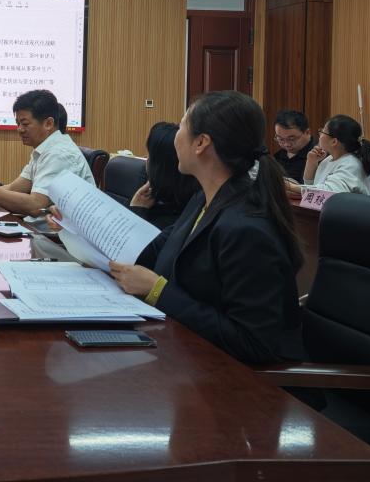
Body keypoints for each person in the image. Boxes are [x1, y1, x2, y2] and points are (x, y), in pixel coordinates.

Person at [107, 91, 304, 365]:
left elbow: (253, 344)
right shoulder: (203, 199)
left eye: (182, 126)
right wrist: (78, 229)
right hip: (185, 354)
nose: (176, 137)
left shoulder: (246, 229)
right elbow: (154, 249)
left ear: (201, 143)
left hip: (235, 380)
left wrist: (158, 291)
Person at [0, 89, 94, 216]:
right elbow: (13, 188)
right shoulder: (43, 149)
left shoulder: (59, 154)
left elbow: (36, 205)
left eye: (25, 124)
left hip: (56, 237)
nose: (19, 129)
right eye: (18, 124)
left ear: (48, 123)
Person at [129, 122, 200, 228]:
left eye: (150, 154)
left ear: (160, 167)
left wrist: (136, 210)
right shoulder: (195, 201)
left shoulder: (168, 223)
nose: (146, 158)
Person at [291, 114, 370, 195]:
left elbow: (327, 193)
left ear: (334, 141)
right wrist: (311, 162)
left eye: (323, 132)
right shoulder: (329, 158)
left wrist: (291, 187)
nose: (320, 135)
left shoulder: (351, 164)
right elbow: (310, 185)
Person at [272, 109, 314, 184]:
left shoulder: (319, 154)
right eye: (280, 139)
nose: (286, 144)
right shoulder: (278, 156)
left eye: (291, 139)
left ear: (307, 132)